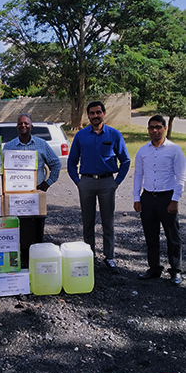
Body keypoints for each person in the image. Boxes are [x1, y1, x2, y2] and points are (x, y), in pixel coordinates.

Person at [67, 101, 130, 274]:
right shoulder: (80, 136)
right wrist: (77, 181)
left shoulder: (114, 135)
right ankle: (90, 255)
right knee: (87, 221)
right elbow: (71, 161)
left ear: (104, 113)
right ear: (88, 116)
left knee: (107, 222)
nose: (95, 116)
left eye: (98, 112)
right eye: (92, 113)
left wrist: (117, 182)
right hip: (86, 182)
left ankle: (109, 257)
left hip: (107, 183)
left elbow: (125, 160)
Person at [133, 115, 186, 285]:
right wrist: (137, 197)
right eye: (151, 127)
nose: (154, 130)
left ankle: (175, 271)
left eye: (158, 127)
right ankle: (154, 268)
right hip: (148, 198)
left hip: (167, 198)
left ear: (164, 128)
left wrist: (175, 200)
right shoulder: (143, 151)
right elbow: (138, 175)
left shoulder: (174, 150)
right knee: (151, 235)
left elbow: (181, 177)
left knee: (173, 236)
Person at [3, 113, 62, 191]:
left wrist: (48, 183)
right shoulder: (8, 146)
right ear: (17, 127)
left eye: (26, 123)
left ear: (31, 127)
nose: (23, 125)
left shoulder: (42, 144)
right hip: (14, 190)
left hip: (37, 189)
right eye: (20, 124)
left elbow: (56, 164)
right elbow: (1, 168)